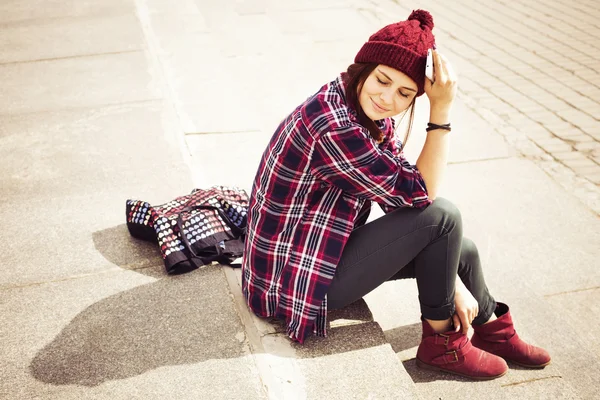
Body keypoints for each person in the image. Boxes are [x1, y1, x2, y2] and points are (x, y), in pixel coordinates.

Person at [241, 9, 550, 380]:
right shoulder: (334, 127)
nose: (387, 98)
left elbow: (401, 201)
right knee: (444, 217)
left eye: (405, 93)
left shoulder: (362, 109)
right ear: (364, 68)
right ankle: (441, 345)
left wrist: (453, 281)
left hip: (318, 252)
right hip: (292, 282)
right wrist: (442, 110)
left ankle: (493, 330)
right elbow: (421, 195)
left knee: (459, 248)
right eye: (382, 81)